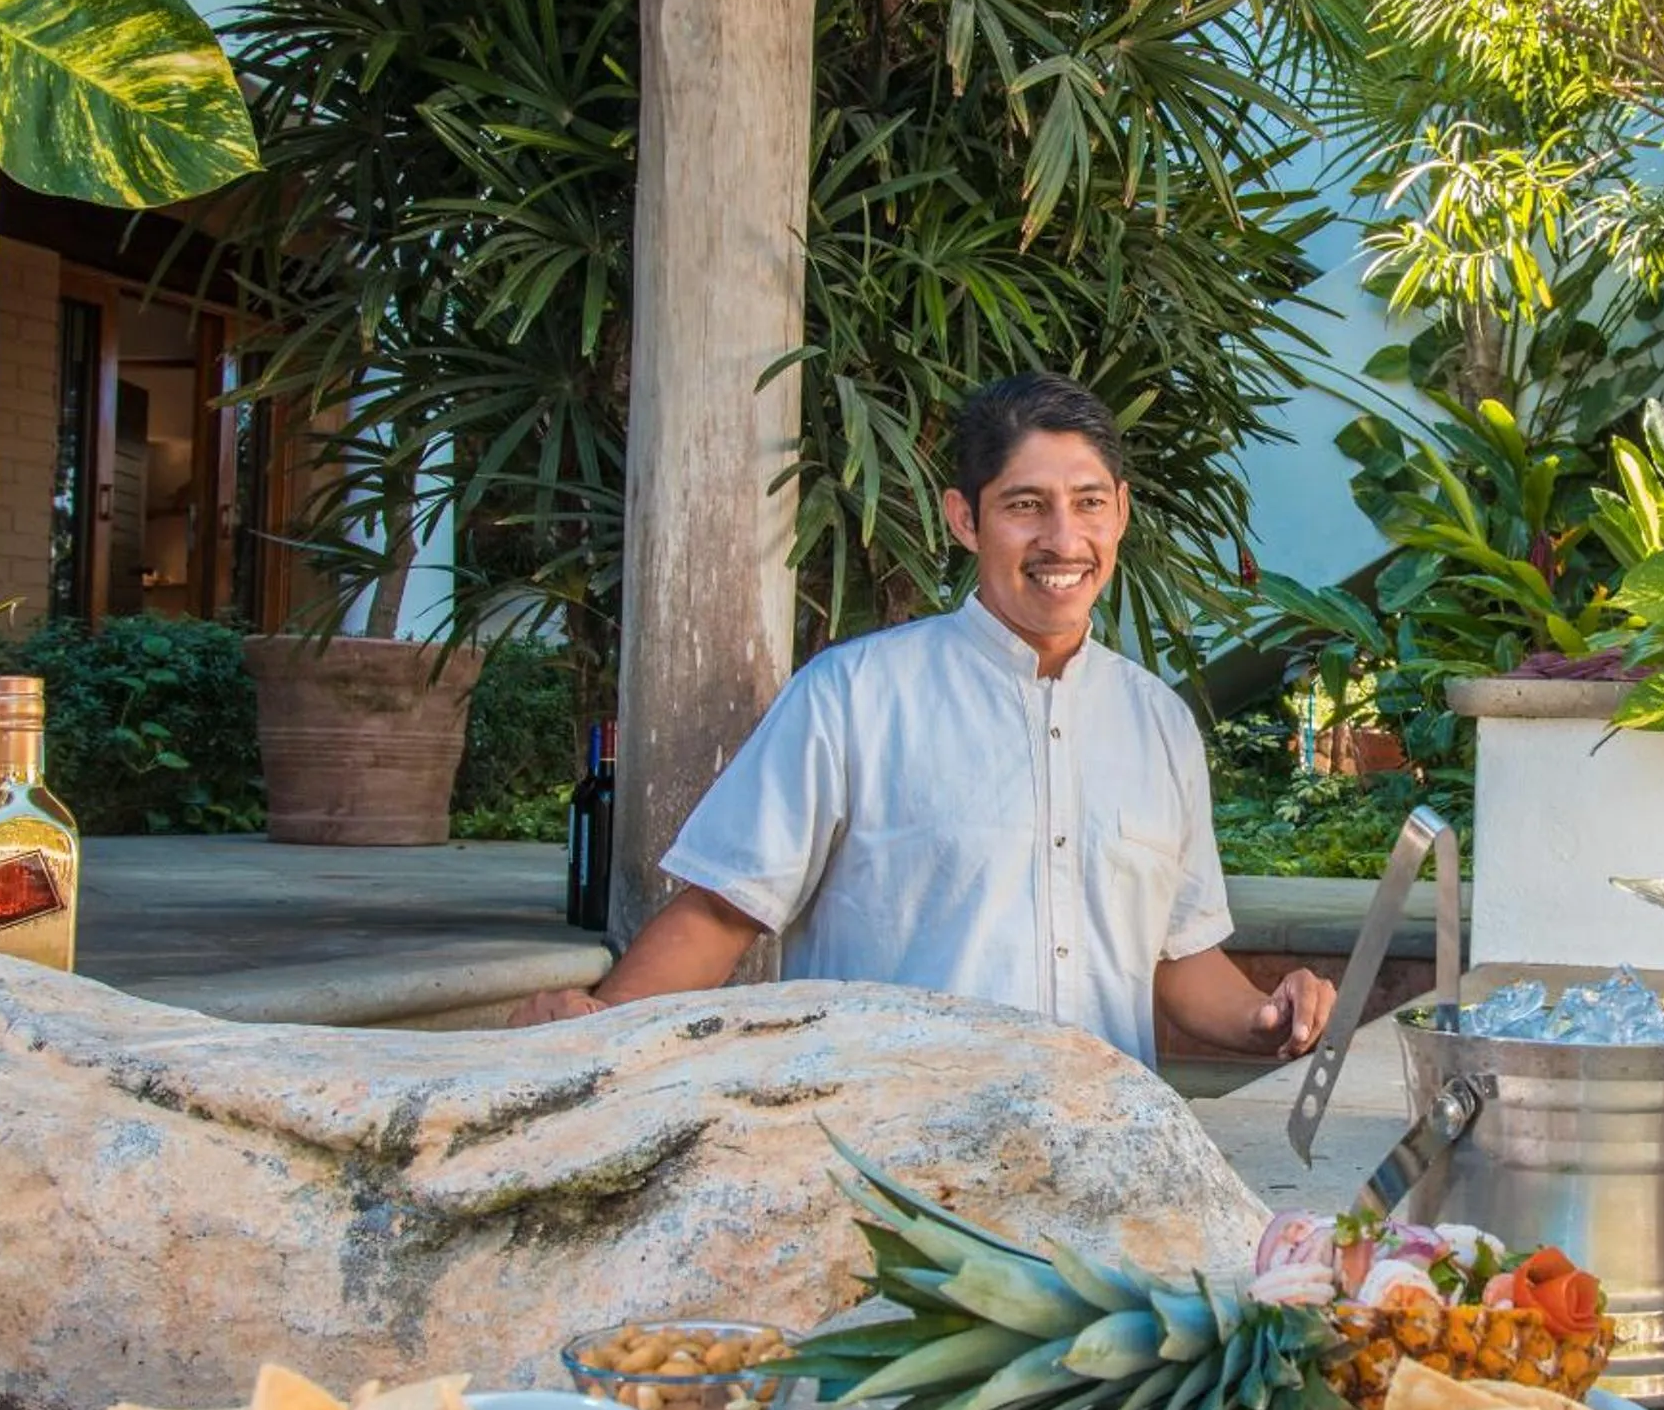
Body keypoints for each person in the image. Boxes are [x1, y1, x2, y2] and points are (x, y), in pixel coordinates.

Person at [511, 371, 1337, 1064]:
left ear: (1119, 512)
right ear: (964, 518)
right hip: (894, 1170)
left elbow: (1179, 958)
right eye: (1025, 505)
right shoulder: (854, 696)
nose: (1063, 538)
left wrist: (1268, 1016)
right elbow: (724, 911)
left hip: (1101, 1176)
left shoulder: (1159, 723)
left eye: (1088, 503)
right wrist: (595, 1023)